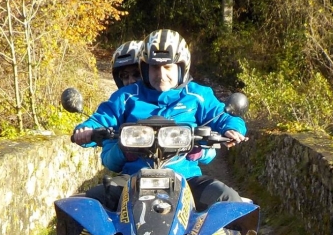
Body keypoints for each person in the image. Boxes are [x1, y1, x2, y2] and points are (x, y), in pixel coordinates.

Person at [73, 29, 246, 211]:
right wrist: (87, 129)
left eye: (168, 67)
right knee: (86, 206)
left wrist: (232, 128)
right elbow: (103, 118)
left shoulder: (198, 94)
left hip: (186, 178)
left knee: (229, 200)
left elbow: (223, 115)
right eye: (154, 67)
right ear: (145, 68)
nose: (161, 74)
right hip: (133, 179)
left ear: (181, 66)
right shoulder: (126, 96)